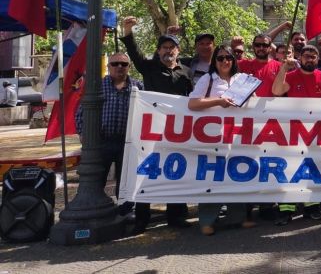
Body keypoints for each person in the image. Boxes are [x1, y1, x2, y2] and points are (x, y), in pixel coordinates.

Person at [121, 16, 193, 232]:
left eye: (172, 47)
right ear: (158, 50)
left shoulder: (187, 72)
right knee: (146, 173)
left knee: (175, 171)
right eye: (164, 47)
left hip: (177, 131)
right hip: (150, 130)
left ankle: (176, 216)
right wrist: (127, 31)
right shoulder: (149, 67)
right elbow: (134, 52)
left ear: (178, 51)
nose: (168, 51)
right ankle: (142, 219)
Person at [187, 45, 256, 235]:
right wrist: (219, 101)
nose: (225, 61)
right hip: (213, 135)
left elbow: (255, 104)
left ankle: (239, 217)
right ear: (214, 61)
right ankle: (207, 220)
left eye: (228, 58)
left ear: (234, 60)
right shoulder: (207, 79)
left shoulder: (242, 79)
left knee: (237, 174)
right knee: (213, 176)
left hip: (239, 136)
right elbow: (192, 103)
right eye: (220, 58)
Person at [271, 44, 321, 225]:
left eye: (313, 56)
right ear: (300, 58)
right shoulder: (290, 76)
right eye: (306, 56)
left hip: (315, 135)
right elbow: (276, 91)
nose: (309, 59)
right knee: (289, 170)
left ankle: (312, 207)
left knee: (311, 171)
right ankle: (286, 210)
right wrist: (284, 67)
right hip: (292, 134)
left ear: (318, 59)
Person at [74, 53, 141, 217]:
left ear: (129, 67)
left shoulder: (138, 87)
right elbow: (80, 113)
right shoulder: (96, 86)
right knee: (97, 177)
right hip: (101, 141)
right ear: (108, 66)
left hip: (127, 142)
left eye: (124, 64)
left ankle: (125, 211)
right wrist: (83, 133)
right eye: (115, 64)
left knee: (125, 180)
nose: (119, 67)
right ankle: (92, 209)